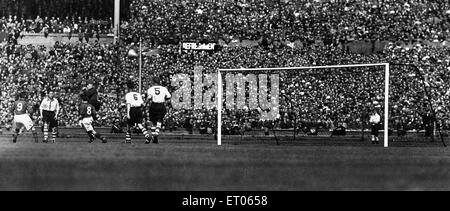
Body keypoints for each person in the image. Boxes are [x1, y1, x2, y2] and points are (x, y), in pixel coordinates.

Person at [147, 77, 171, 144]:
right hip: (161, 105)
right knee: (159, 120)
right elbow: (169, 96)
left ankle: (154, 134)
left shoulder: (150, 89)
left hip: (153, 105)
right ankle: (156, 133)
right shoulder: (164, 88)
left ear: (153, 82)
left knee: (152, 121)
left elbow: (149, 97)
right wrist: (163, 98)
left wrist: (145, 103)